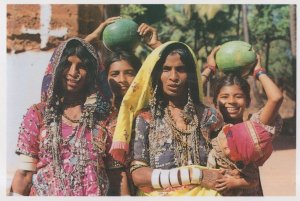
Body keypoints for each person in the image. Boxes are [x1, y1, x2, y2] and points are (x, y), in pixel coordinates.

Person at [109, 41, 225, 196]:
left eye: (180, 69)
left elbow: (227, 165)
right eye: (166, 69)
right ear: (157, 75)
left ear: (190, 74)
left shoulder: (209, 117)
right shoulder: (146, 118)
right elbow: (138, 175)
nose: (173, 77)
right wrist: (197, 176)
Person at [9, 37, 113, 196]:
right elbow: (25, 174)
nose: (73, 73)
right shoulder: (38, 115)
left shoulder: (105, 119)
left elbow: (117, 176)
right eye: (67, 64)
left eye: (81, 66)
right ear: (56, 69)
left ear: (91, 74)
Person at [84, 17, 162, 196]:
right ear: (106, 77)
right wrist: (97, 35)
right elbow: (65, 58)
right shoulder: (99, 112)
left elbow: (175, 70)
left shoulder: (149, 108)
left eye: (129, 73)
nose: (121, 80)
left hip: (150, 186)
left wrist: (156, 44)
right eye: (115, 74)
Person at [202, 46, 283, 195]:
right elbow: (188, 96)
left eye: (238, 96)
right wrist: (210, 68)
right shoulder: (209, 127)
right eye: (224, 97)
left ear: (248, 101)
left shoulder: (254, 127)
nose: (231, 101)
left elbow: (276, 98)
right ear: (215, 102)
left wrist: (259, 71)